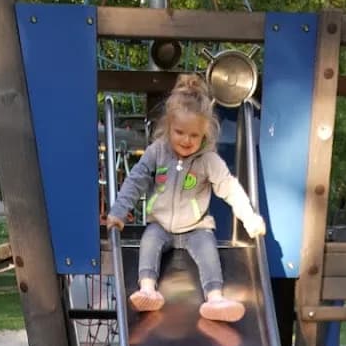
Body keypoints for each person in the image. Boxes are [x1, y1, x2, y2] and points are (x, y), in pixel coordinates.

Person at [106, 73, 266, 324]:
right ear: (168, 127)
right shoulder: (157, 151)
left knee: (208, 250)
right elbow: (136, 179)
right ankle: (148, 289)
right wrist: (118, 211)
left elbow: (229, 187)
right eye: (179, 132)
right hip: (160, 225)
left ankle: (215, 298)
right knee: (149, 243)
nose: (186, 140)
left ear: (205, 133)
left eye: (194, 135)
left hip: (195, 228)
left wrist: (250, 219)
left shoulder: (208, 161)